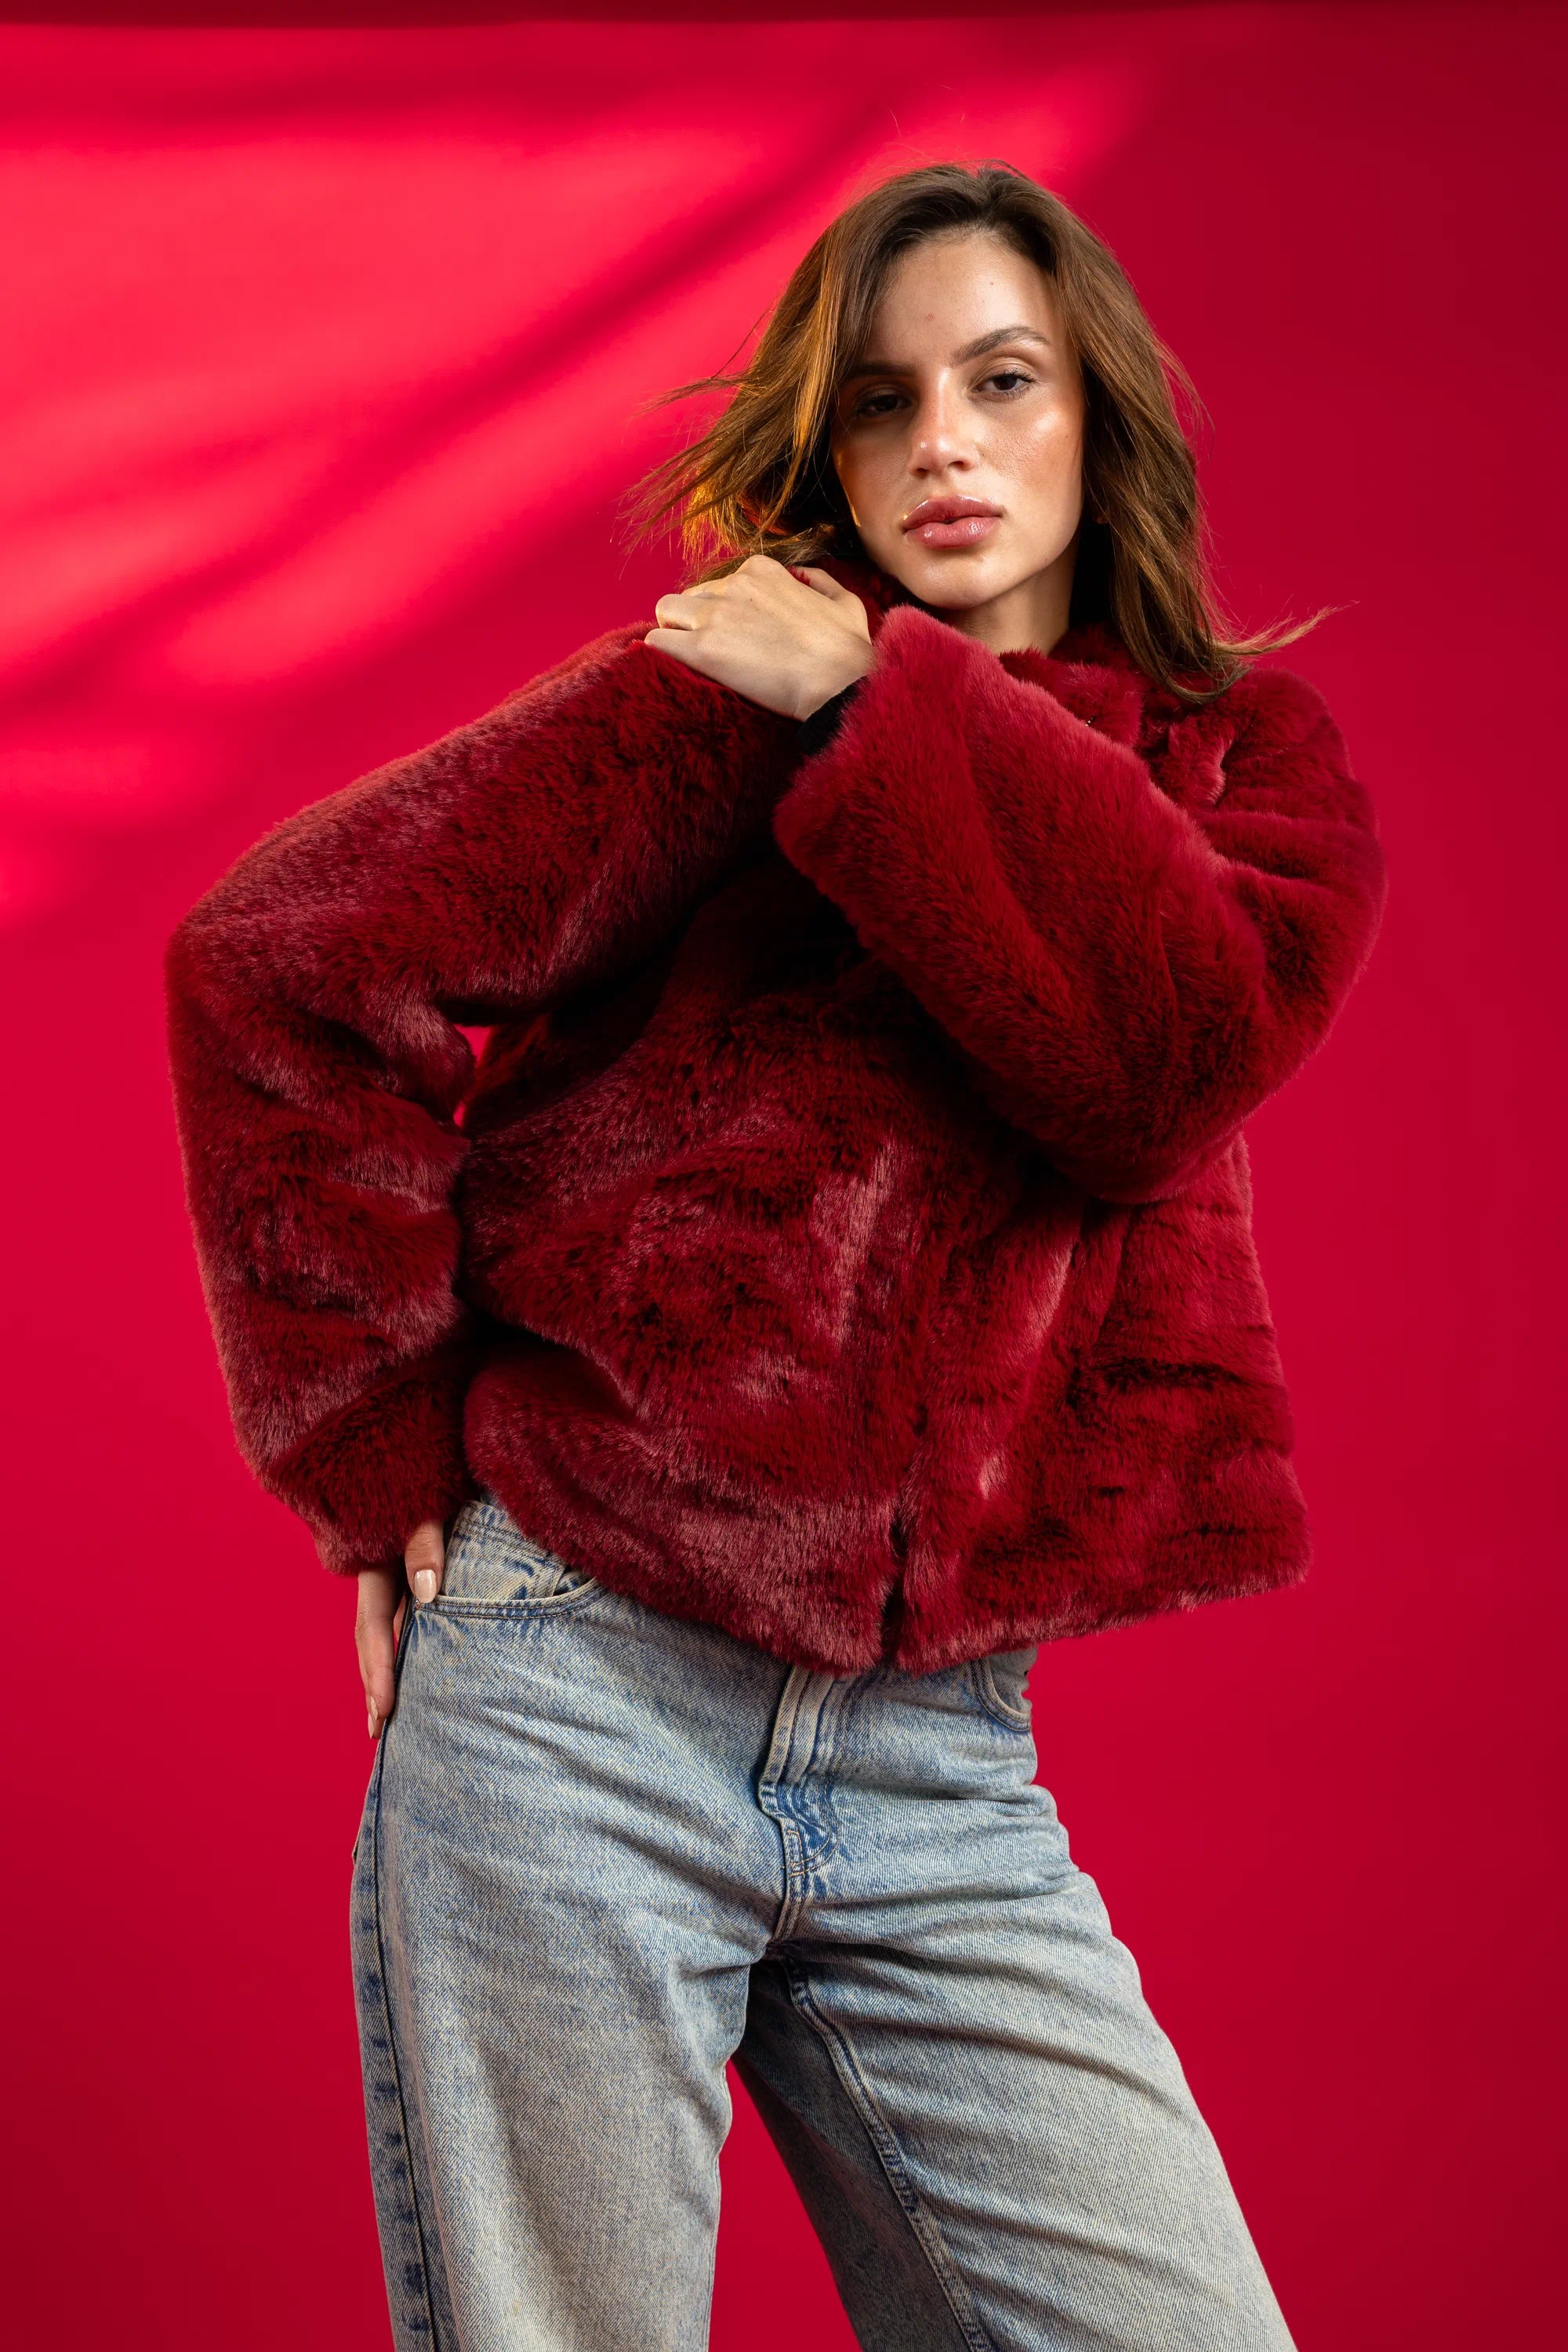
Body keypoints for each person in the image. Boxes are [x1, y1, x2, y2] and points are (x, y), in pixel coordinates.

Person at [165, 161, 1388, 2351]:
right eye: (884, 403)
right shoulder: (707, 703)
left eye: (1002, 382)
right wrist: (381, 1450)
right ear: (823, 451)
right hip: (579, 1696)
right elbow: (277, 964)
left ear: (1090, 417)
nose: (944, 445)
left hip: (944, 1773)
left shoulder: (1242, 777)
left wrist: (879, 705)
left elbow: (1154, 1064)